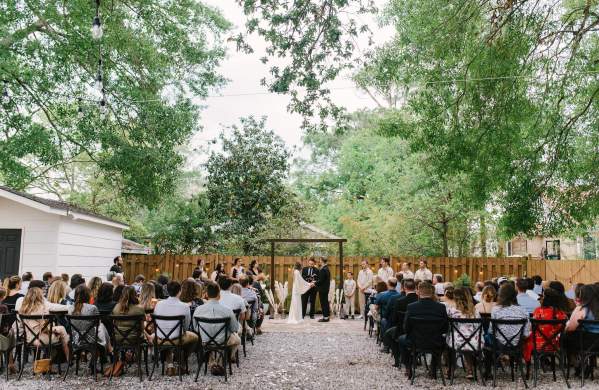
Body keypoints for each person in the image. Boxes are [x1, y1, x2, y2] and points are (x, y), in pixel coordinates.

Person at [399, 281, 448, 376]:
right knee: (444, 341)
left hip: (415, 341)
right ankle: (433, 367)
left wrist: (411, 334)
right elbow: (445, 327)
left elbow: (406, 327)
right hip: (436, 341)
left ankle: (408, 367)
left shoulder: (411, 307)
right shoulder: (441, 307)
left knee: (401, 339)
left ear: (418, 292)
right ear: (432, 292)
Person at [193, 281, 241, 376]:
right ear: (219, 295)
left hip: (205, 341)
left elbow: (195, 328)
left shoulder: (198, 310)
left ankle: (212, 362)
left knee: (214, 340)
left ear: (206, 294)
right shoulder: (227, 310)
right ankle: (221, 361)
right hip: (222, 341)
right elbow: (234, 328)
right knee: (237, 340)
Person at [153, 281, 199, 376]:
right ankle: (181, 362)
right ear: (180, 291)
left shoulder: (159, 304)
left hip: (160, 337)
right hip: (176, 338)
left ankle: (170, 365)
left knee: (169, 336)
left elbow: (156, 323)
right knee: (195, 338)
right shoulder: (185, 306)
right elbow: (186, 326)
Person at [20, 287, 70, 359]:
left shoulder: (22, 309)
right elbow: (45, 329)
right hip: (41, 340)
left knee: (60, 332)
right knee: (62, 330)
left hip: (29, 339)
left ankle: (51, 357)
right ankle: (68, 358)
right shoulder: (42, 309)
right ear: (40, 296)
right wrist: (55, 330)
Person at [522, 288, 568, 363]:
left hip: (537, 344)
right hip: (554, 345)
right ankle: (545, 360)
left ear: (545, 298)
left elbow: (531, 328)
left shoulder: (538, 311)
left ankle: (528, 364)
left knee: (526, 339)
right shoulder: (560, 313)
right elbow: (565, 328)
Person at [446, 287, 479, 379]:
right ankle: (470, 369)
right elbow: (478, 328)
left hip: (457, 342)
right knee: (467, 339)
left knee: (450, 339)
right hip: (475, 342)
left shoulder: (451, 310)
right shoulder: (475, 311)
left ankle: (450, 369)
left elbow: (448, 327)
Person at [384, 279, 418, 366]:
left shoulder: (400, 301)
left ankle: (397, 360)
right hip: (421, 331)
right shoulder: (419, 300)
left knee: (388, 334)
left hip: (403, 330)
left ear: (404, 288)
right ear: (415, 288)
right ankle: (414, 358)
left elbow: (394, 319)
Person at [68, 285, 112, 354]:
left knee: (101, 327)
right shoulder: (92, 308)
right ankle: (109, 350)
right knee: (102, 326)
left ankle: (108, 350)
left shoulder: (70, 309)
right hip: (91, 339)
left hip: (76, 339)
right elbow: (98, 323)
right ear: (87, 296)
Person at [316, 257, 331, 322]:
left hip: (322, 289)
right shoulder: (326, 268)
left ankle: (325, 317)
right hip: (325, 288)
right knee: (325, 302)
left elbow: (321, 280)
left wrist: (314, 283)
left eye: (320, 260)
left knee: (323, 303)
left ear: (322, 261)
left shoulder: (323, 269)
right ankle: (327, 316)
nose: (319, 261)